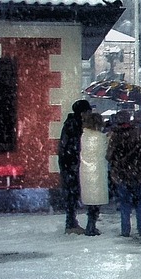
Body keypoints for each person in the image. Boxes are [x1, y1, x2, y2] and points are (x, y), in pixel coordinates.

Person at [107, 108, 141, 237]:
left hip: (122, 173)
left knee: (125, 203)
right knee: (140, 202)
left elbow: (109, 156)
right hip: (139, 172)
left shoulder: (115, 135)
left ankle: (125, 229)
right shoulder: (139, 132)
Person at [57, 99, 92, 234]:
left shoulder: (72, 123)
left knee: (72, 194)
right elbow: (74, 146)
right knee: (72, 194)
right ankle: (71, 223)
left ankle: (71, 221)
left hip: (69, 164)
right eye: (88, 111)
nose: (90, 114)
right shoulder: (74, 125)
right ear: (83, 112)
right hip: (71, 164)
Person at [79, 112, 109, 236]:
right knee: (96, 201)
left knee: (90, 200)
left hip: (85, 171)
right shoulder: (101, 137)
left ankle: (90, 224)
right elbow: (105, 151)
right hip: (98, 171)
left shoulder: (83, 136)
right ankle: (91, 225)